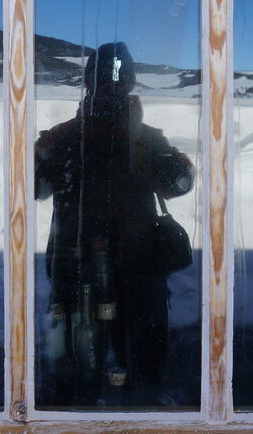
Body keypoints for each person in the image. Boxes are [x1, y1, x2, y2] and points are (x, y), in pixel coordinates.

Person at [35, 41, 194, 406]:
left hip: (92, 259)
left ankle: (87, 402)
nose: (111, 90)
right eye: (109, 82)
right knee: (122, 347)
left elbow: (33, 184)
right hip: (109, 261)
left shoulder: (68, 136)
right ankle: (134, 400)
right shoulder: (133, 137)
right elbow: (180, 183)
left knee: (85, 352)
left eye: (114, 83)